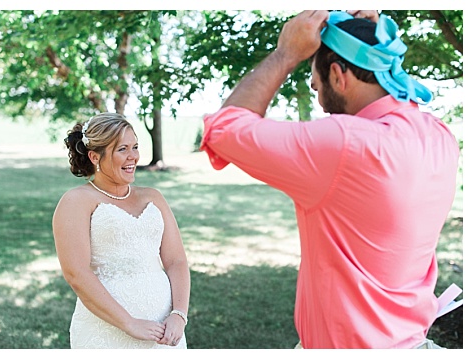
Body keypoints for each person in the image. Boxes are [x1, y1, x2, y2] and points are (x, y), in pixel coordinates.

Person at [200, 10, 460, 348]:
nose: (321, 104)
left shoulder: (344, 144)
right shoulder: (439, 136)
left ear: (338, 75)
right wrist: (365, 34)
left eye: (316, 86)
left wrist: (286, 52)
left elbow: (223, 128)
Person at [52, 113, 190, 349]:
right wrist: (129, 323)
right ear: (95, 156)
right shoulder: (76, 201)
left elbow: (176, 260)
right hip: (106, 333)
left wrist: (179, 315)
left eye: (135, 147)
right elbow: (76, 273)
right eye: (122, 149)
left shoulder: (153, 197)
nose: (133, 156)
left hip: (165, 333)